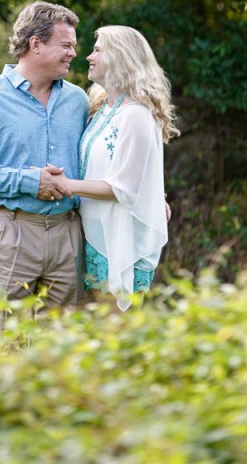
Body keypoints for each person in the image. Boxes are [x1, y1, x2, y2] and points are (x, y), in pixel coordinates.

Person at [0, 1, 89, 332]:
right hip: (11, 233)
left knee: (64, 344)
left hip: (69, 233)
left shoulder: (78, 101)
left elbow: (108, 155)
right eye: (66, 45)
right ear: (36, 44)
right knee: (0, 342)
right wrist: (29, 182)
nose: (73, 53)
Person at [44, 25, 179, 310]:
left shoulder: (137, 115)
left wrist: (66, 184)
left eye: (97, 50)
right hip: (92, 238)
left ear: (120, 57)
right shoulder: (102, 109)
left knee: (114, 338)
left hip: (118, 244)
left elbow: (125, 188)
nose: (89, 57)